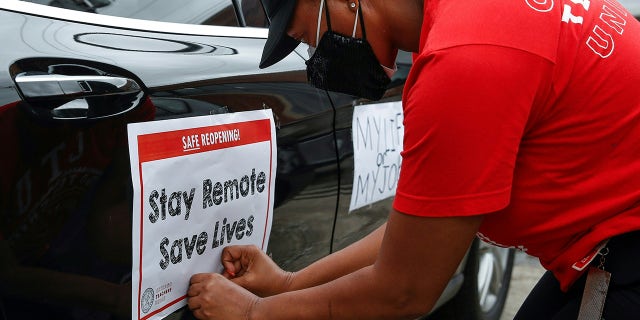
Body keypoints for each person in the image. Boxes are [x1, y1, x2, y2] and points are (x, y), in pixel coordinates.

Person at [186, 0, 640, 319]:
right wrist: (288, 285)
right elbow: (421, 234)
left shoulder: (463, 59)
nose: (315, 57)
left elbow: (406, 289)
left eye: (307, 34)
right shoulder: (471, 22)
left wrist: (253, 314)